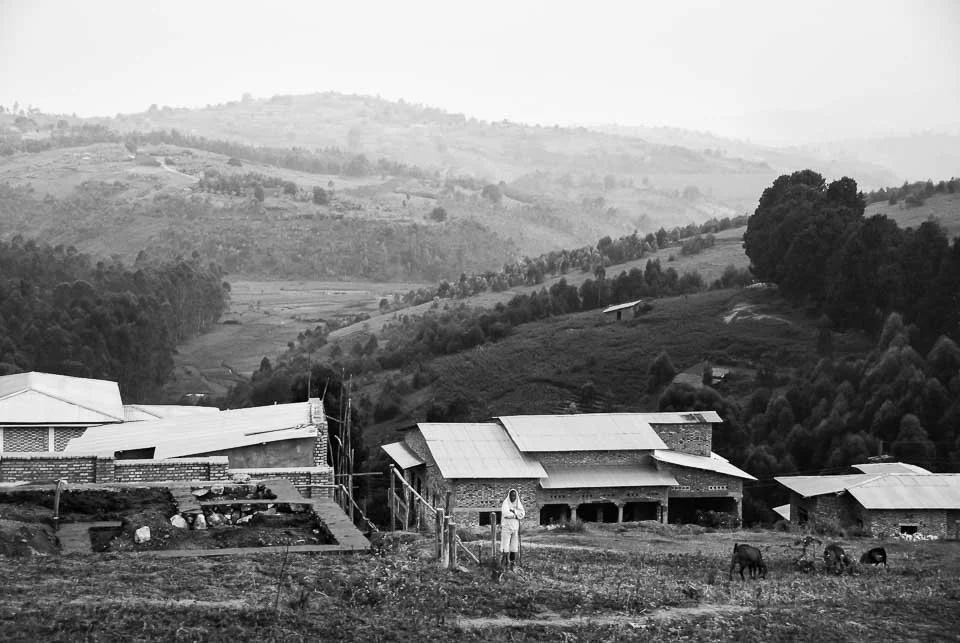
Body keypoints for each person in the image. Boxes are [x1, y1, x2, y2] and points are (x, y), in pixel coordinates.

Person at [500, 488, 525, 570]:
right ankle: (504, 563)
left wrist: (514, 511)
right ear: (509, 496)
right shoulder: (505, 503)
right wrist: (515, 515)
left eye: (514, 496)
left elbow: (522, 514)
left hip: (515, 528)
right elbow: (506, 514)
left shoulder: (518, 503)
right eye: (511, 495)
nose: (513, 497)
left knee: (514, 546)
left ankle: (512, 563)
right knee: (505, 545)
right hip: (506, 527)